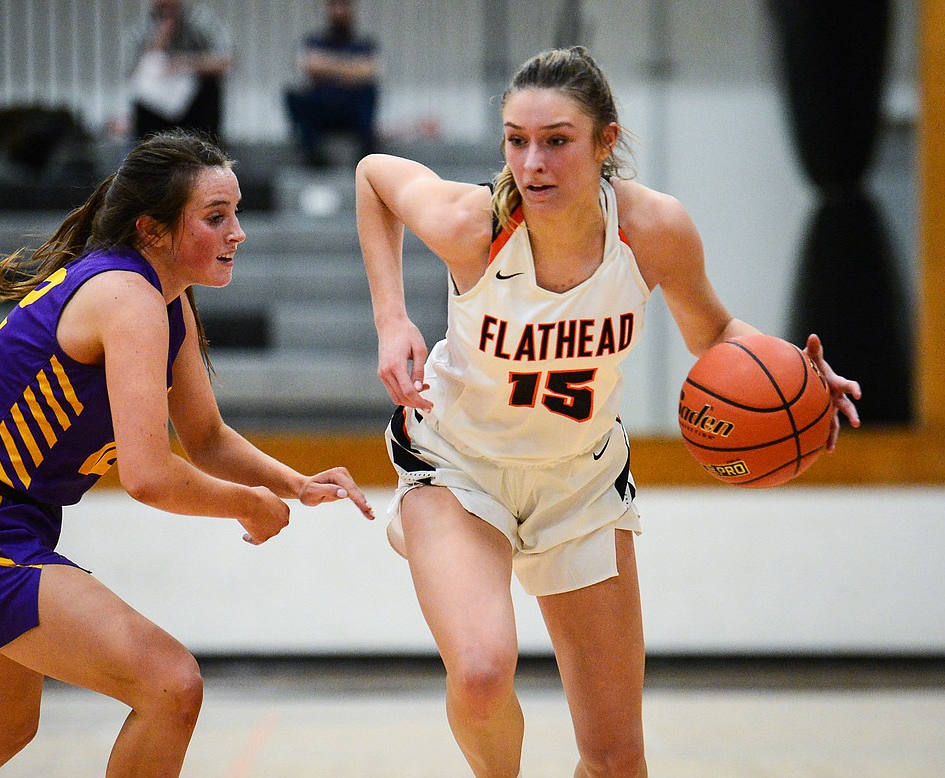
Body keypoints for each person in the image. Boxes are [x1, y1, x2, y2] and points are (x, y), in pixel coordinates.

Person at [355, 47, 861, 778]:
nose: (532, 163)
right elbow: (375, 177)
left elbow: (713, 333)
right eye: (516, 140)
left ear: (605, 142)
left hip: (580, 482)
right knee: (481, 673)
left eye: (556, 140)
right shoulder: (471, 225)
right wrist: (391, 317)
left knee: (618, 760)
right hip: (459, 467)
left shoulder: (652, 230)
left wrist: (800, 373)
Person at [0, 129, 374, 777]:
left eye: (236, 212)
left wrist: (292, 484)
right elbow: (148, 476)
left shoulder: (167, 301)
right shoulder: (128, 298)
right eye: (215, 217)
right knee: (170, 684)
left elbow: (206, 439)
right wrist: (247, 505)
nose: (238, 232)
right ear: (152, 230)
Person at [284, 0, 380, 168]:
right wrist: (350, 69)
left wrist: (327, 67)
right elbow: (309, 65)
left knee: (369, 92)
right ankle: (312, 156)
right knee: (294, 95)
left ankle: (366, 157)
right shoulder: (313, 40)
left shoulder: (364, 43)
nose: (339, 11)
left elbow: (369, 71)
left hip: (352, 111)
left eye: (343, 6)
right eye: (334, 6)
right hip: (322, 109)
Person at [126, 0, 232, 143]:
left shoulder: (199, 21)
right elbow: (134, 74)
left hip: (198, 106)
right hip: (156, 108)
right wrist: (160, 39)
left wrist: (185, 64)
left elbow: (225, 61)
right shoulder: (143, 27)